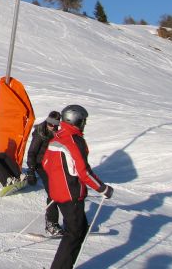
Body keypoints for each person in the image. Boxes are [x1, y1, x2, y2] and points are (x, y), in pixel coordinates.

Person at [43, 105, 114, 269]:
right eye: (83, 121)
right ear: (75, 120)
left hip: (58, 193)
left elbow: (46, 163)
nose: (84, 124)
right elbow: (83, 172)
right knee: (73, 234)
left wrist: (59, 179)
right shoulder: (74, 140)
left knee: (79, 230)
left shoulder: (57, 137)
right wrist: (102, 188)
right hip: (71, 194)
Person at [25, 110, 63, 235]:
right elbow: (32, 152)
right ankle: (51, 223)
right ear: (47, 122)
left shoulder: (57, 133)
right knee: (52, 192)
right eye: (51, 124)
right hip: (40, 165)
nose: (53, 127)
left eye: (55, 125)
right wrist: (31, 169)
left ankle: (73, 222)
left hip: (53, 165)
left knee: (62, 192)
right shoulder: (40, 133)